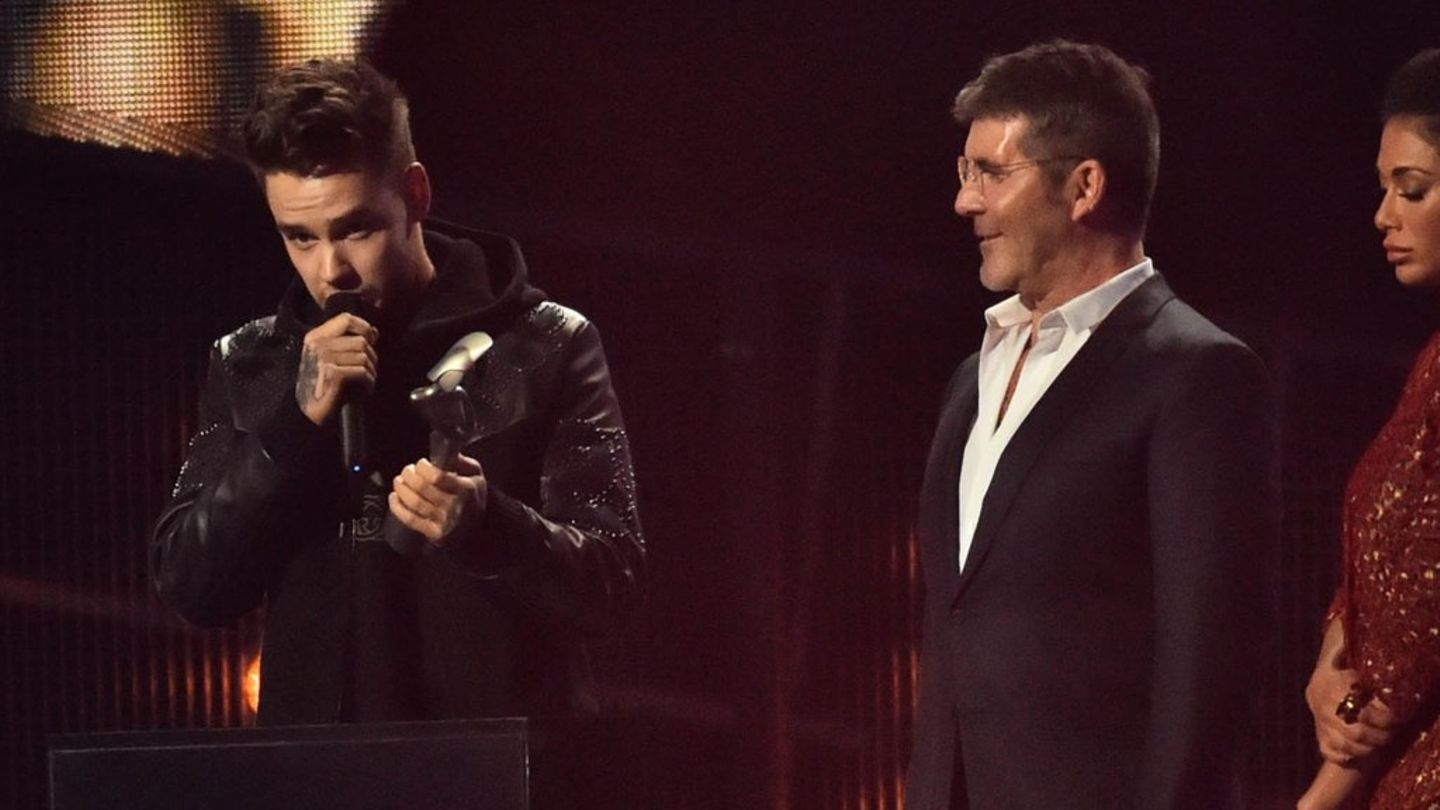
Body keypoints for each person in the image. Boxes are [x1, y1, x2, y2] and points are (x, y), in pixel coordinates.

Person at [150, 59, 644, 725]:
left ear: (415, 195)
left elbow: (613, 586)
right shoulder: (251, 362)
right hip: (320, 780)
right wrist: (294, 428)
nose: (332, 270)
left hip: (498, 773)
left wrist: (488, 527)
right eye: (300, 237)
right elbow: (190, 584)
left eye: (356, 228)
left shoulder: (545, 345)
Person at [905, 40, 1279, 809]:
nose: (964, 202)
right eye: (963, 174)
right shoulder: (970, 378)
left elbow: (1209, 659)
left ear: (1083, 186)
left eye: (990, 173)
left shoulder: (1196, 373)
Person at [1300, 48, 1440, 810]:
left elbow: (1424, 615)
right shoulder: (1430, 364)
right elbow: (1382, 565)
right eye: (1384, 187)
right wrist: (1329, 669)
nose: (1383, 215)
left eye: (1411, 189)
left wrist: (1320, 797)